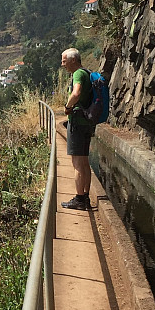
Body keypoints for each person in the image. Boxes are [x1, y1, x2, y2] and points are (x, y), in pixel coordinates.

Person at [60, 48, 94, 210]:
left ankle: (80, 199)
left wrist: (67, 107)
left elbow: (76, 93)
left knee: (77, 163)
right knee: (85, 162)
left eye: (64, 61)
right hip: (86, 123)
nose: (62, 64)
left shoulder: (78, 74)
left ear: (73, 60)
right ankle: (85, 197)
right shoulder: (86, 73)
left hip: (78, 123)